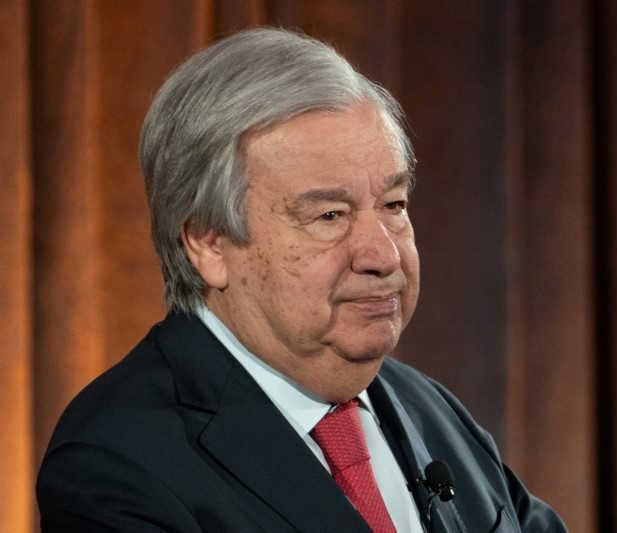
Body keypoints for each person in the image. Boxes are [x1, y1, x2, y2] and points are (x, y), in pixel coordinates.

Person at [36, 27, 566, 532]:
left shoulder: (431, 408)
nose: (383, 255)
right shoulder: (116, 466)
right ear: (209, 243)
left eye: (393, 205)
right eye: (329, 216)